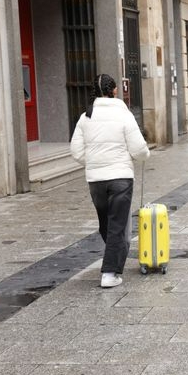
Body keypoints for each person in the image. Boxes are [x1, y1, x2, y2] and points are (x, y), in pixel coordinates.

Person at [70, 74, 150, 288]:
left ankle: (116, 255)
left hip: (96, 180)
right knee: (116, 225)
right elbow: (139, 148)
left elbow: (76, 151)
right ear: (114, 90)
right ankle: (110, 272)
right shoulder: (123, 114)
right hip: (120, 178)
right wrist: (143, 156)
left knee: (106, 224)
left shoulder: (86, 116)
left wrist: (95, 162)